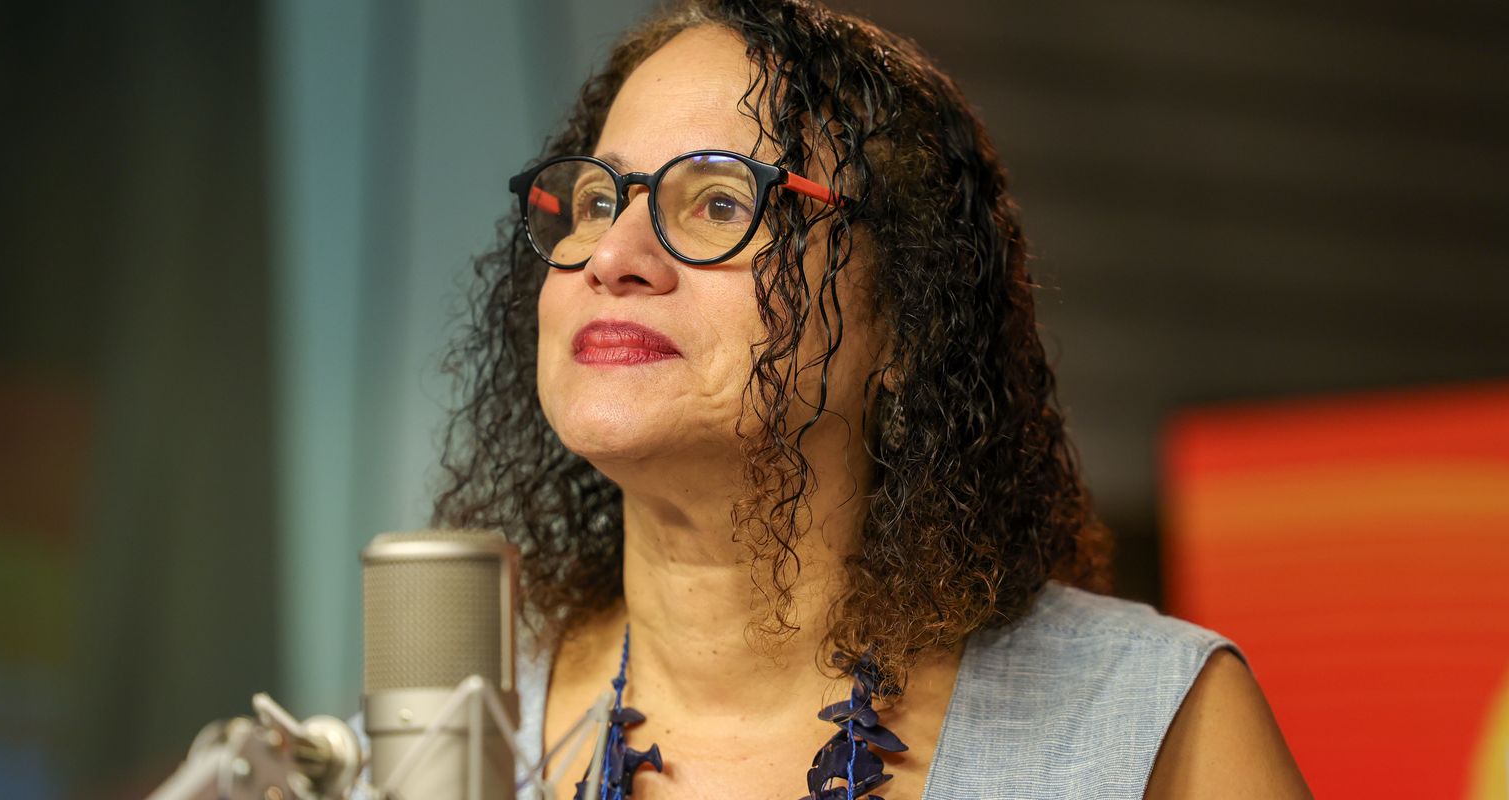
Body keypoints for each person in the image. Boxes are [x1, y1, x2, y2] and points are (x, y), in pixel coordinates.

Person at [433, 0, 1310, 797]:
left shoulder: (1149, 725)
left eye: (721, 204)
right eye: (596, 200)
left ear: (904, 319)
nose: (611, 256)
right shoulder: (436, 739)